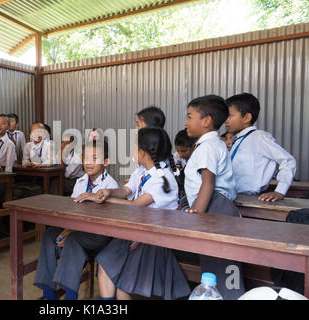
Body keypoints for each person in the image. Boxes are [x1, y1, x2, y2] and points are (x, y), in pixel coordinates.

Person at [76, 127, 190, 301]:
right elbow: (125, 190)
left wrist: (99, 198)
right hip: (134, 231)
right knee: (105, 264)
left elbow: (136, 205)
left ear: (143, 152)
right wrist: (108, 192)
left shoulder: (163, 178)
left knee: (123, 282)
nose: (132, 151)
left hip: (152, 239)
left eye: (135, 147)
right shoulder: (142, 171)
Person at [34, 139, 118, 300]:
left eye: (94, 158)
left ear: (106, 162)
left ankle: (70, 297)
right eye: (85, 158)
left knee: (73, 239)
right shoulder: (80, 182)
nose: (88, 162)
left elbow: (101, 221)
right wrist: (67, 229)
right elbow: (73, 212)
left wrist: (70, 231)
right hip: (77, 230)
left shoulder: (110, 185)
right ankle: (49, 294)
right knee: (48, 235)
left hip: (99, 234)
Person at [183, 94, 245, 299]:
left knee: (223, 266)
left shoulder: (207, 147)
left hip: (214, 207)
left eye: (190, 116)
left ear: (207, 121)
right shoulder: (212, 144)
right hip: (217, 207)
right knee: (220, 265)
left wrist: (197, 213)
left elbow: (207, 182)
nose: (186, 122)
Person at [225, 93, 296, 202]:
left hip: (250, 199)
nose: (226, 120)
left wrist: (280, 190)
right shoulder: (237, 139)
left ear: (246, 117)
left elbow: (288, 160)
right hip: (234, 197)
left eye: (230, 116)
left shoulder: (259, 137)